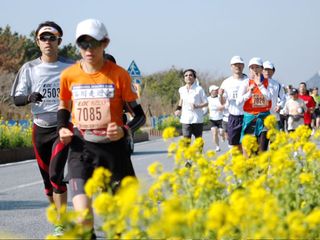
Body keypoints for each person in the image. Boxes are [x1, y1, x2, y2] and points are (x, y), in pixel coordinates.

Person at [57, 19, 146, 238]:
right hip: (81, 148)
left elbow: (140, 116)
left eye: (94, 43)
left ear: (105, 43)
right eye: (83, 44)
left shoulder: (119, 74)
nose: (88, 50)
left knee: (118, 222)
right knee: (83, 219)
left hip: (113, 151)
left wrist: (124, 130)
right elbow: (64, 107)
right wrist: (62, 128)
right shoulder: (68, 76)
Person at [10, 21, 73, 236]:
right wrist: (29, 97)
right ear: (37, 42)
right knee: (47, 182)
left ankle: (61, 223)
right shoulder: (28, 68)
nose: (48, 41)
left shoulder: (71, 66)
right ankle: (57, 216)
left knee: (56, 174)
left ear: (59, 41)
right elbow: (16, 99)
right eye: (43, 38)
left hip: (63, 127)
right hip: (40, 128)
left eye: (52, 38)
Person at [237, 57, 272, 153]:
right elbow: (238, 101)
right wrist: (249, 93)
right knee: (251, 151)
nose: (255, 70)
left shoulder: (268, 82)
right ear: (249, 70)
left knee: (262, 150)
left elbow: (269, 97)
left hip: (264, 118)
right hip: (250, 119)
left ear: (262, 69)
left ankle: (263, 168)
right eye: (252, 68)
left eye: (257, 67)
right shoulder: (245, 83)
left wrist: (260, 85)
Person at [220, 56, 248, 149]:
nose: (237, 66)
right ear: (231, 67)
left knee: (246, 145)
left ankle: (246, 163)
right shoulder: (226, 82)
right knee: (234, 146)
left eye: (240, 64)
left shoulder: (249, 81)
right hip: (233, 117)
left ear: (243, 66)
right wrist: (220, 95)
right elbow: (222, 102)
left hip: (247, 116)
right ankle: (238, 163)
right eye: (235, 65)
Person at [174, 69, 208, 141]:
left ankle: (199, 153)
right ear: (184, 78)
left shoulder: (199, 89)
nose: (188, 77)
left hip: (197, 119)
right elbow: (181, 100)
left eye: (190, 75)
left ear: (194, 78)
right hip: (186, 119)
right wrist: (178, 109)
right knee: (186, 141)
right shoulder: (181, 89)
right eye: (186, 75)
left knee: (198, 141)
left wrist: (197, 106)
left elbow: (206, 103)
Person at [262, 61, 285, 129]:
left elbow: (283, 98)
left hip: (274, 116)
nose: (267, 72)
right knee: (262, 139)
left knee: (274, 138)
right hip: (261, 117)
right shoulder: (257, 83)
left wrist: (280, 106)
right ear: (262, 70)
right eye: (265, 69)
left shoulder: (277, 84)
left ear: (273, 71)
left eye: (269, 70)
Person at [207, 85, 225, 152]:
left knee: (221, 132)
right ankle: (217, 146)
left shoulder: (220, 97)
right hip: (212, 119)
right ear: (211, 91)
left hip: (220, 118)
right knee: (214, 133)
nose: (216, 91)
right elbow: (205, 107)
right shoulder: (207, 99)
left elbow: (224, 104)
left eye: (217, 90)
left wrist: (222, 107)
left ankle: (222, 136)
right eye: (215, 90)